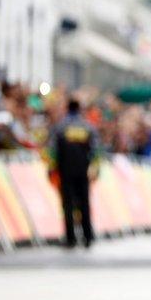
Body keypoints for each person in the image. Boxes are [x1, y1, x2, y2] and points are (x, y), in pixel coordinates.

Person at [48, 99, 100, 249]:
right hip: (83, 171)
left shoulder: (60, 127)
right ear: (79, 109)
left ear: (67, 109)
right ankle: (88, 235)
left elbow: (53, 150)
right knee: (84, 203)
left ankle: (70, 238)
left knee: (68, 205)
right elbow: (96, 150)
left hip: (66, 172)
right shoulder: (88, 127)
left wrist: (52, 169)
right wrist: (95, 168)